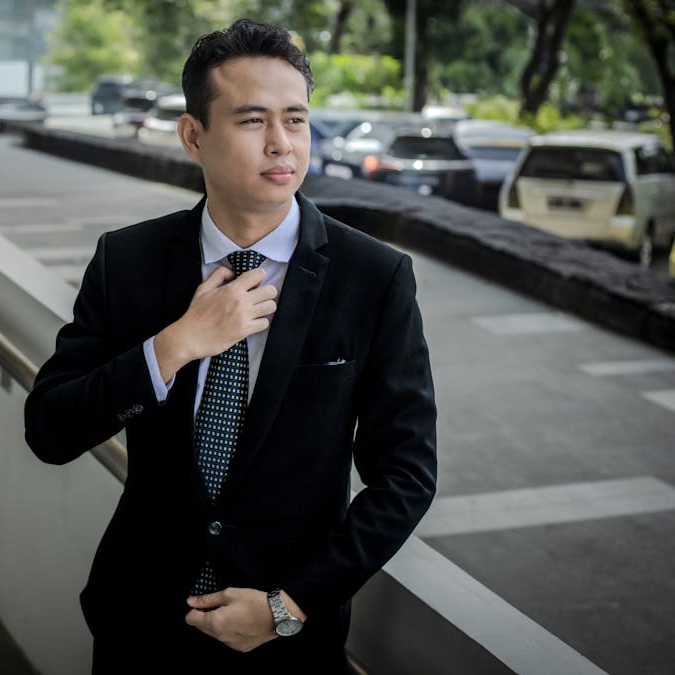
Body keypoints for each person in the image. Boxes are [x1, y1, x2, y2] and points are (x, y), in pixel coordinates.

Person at [24, 18, 437, 672]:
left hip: (288, 641)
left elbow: (408, 475)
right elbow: (49, 429)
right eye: (252, 121)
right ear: (194, 136)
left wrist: (290, 604)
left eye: (295, 120)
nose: (281, 144)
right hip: (140, 627)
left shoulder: (374, 277)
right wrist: (175, 345)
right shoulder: (127, 260)